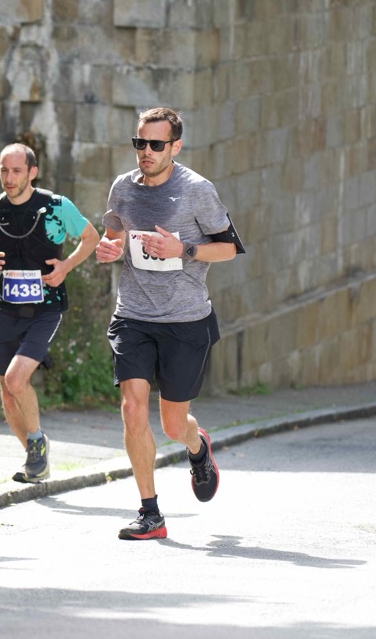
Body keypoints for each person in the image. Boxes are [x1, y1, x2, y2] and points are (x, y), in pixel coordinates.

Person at [95, 106, 245, 541]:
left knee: (174, 426)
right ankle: (150, 513)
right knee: (132, 408)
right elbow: (114, 236)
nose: (146, 151)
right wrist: (108, 249)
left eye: (156, 144)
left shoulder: (197, 190)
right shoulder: (123, 188)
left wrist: (185, 250)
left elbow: (229, 249)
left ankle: (198, 449)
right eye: (140, 142)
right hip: (133, 316)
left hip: (185, 319)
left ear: (175, 147)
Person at [0, 142, 99, 484]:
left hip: (46, 308)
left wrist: (66, 266)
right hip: (7, 309)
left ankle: (37, 440)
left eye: (16, 171)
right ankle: (35, 456)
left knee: (16, 379)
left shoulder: (56, 206)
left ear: (32, 172)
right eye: (4, 170)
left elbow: (90, 237)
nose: (9, 178)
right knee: (6, 391)